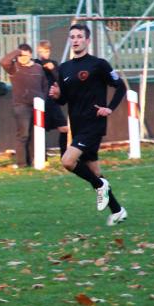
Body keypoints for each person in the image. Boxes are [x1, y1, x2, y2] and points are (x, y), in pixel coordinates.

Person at [48, 23, 128, 226]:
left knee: (67, 161)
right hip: (77, 125)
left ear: (87, 40)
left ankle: (100, 185)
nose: (75, 40)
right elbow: (64, 100)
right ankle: (117, 210)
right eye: (72, 36)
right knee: (94, 171)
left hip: (94, 124)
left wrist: (109, 108)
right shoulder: (64, 68)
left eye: (79, 36)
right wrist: (57, 96)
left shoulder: (98, 64)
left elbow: (120, 87)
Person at [0, 44, 48, 168]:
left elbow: (45, 85)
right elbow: (4, 62)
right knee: (23, 134)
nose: (22, 58)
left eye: (25, 55)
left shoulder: (38, 68)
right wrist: (17, 52)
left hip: (37, 105)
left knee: (35, 134)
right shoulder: (14, 67)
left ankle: (34, 160)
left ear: (31, 55)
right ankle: (22, 163)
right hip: (21, 105)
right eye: (20, 56)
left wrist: (43, 99)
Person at [35, 40, 70, 154]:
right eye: (41, 51)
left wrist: (53, 69)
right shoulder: (35, 64)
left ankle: (64, 154)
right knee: (40, 130)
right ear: (38, 51)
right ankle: (42, 156)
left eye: (46, 51)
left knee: (64, 128)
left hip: (52, 102)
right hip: (40, 102)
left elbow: (60, 80)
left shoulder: (53, 63)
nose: (44, 54)